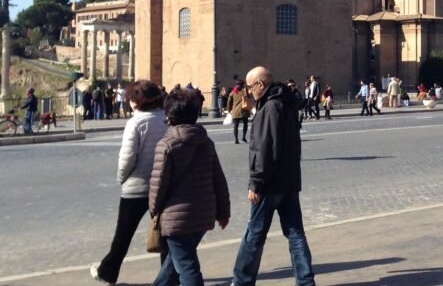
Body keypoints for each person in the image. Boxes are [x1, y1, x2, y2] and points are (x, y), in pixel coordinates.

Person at [232, 66, 316, 286]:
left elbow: (264, 149)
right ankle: (306, 282)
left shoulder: (270, 108)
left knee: (254, 235)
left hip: (269, 185)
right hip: (289, 182)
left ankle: (241, 281)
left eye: (250, 87)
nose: (249, 92)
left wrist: (256, 183)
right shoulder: (287, 104)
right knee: (296, 234)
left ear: (261, 84)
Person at [91, 81, 171, 285]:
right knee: (164, 236)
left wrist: (121, 178)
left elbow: (127, 158)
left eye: (131, 98)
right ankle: (169, 277)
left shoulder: (136, 123)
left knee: (123, 236)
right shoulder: (167, 120)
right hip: (163, 186)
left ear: (137, 100)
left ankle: (107, 272)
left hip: (136, 187)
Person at [149, 88, 230, 286]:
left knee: (187, 267)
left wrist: (154, 211)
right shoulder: (206, 142)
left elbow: (158, 186)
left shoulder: (166, 145)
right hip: (204, 214)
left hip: (177, 218)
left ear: (169, 117)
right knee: (174, 263)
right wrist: (223, 212)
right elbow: (218, 179)